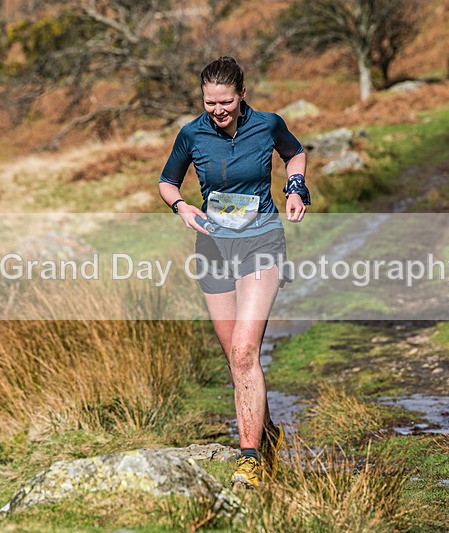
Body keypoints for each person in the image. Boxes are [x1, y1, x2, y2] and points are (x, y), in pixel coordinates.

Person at [158, 57, 309, 488]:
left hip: (261, 242)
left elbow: (295, 153)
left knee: (245, 352)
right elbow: (168, 182)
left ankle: (248, 459)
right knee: (235, 360)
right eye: (210, 103)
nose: (218, 110)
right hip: (213, 247)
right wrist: (181, 205)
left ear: (242, 95)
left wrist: (295, 187)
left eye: (225, 102)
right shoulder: (192, 134)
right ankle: (269, 436)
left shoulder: (268, 124)